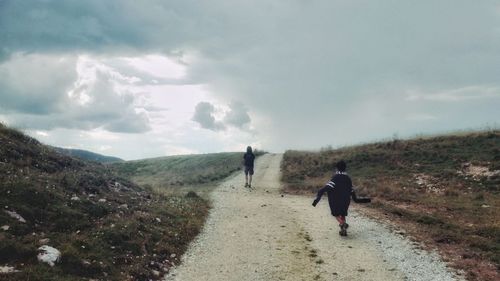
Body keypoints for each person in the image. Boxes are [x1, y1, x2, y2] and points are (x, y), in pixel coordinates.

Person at [312, 160, 353, 236]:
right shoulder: (348, 179)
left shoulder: (335, 178)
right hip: (345, 200)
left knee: (336, 214)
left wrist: (316, 200)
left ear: (337, 168)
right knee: (343, 213)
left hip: (336, 200)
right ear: (345, 168)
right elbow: (351, 190)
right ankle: (343, 230)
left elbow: (326, 188)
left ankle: (342, 223)